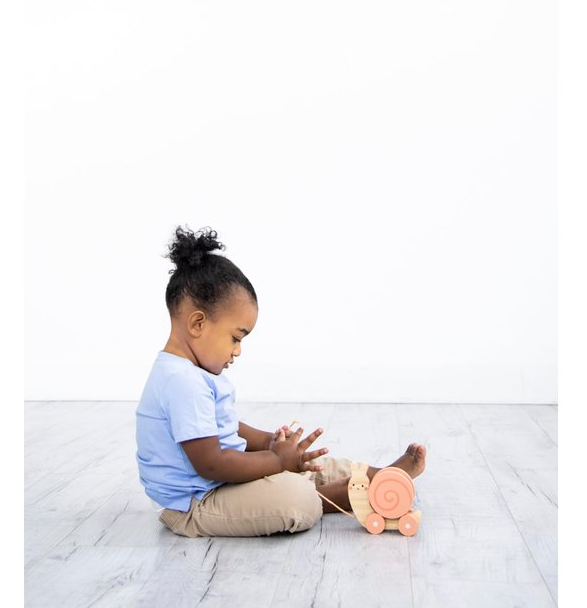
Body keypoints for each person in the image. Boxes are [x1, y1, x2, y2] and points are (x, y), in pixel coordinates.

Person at [135, 224, 426, 538]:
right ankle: (343, 496)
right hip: (193, 505)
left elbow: (225, 427)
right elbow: (212, 464)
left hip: (216, 485)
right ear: (197, 324)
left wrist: (269, 444)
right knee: (294, 496)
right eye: (235, 338)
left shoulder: (189, 374)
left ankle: (383, 478)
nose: (237, 350)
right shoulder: (182, 382)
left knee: (309, 464)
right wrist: (276, 460)